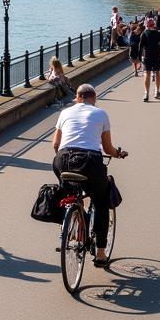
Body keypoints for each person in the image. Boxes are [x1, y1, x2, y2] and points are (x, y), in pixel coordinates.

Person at [52, 83, 127, 267]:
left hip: (63, 159)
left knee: (69, 194)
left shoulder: (65, 113)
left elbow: (56, 145)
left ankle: (71, 220)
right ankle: (101, 253)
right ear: (94, 98)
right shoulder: (100, 113)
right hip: (90, 162)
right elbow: (107, 148)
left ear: (77, 98)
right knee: (101, 201)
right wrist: (118, 153)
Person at [139, 16, 160, 102]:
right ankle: (156, 91)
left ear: (146, 25)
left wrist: (140, 57)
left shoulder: (144, 34)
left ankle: (146, 93)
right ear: (154, 25)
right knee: (157, 73)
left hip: (147, 56)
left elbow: (140, 46)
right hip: (156, 56)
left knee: (147, 73)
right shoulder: (159, 34)